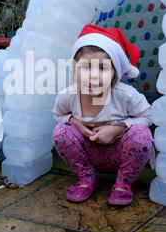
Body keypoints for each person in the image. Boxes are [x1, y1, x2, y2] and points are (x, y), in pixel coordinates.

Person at [52, 24, 155, 206]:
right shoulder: (68, 95)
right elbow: (58, 115)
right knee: (61, 131)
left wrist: (117, 128)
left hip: (121, 154)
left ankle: (123, 184)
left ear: (115, 73)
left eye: (102, 68)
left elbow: (148, 117)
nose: (93, 76)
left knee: (141, 134)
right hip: (87, 155)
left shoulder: (125, 95)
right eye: (85, 67)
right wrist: (75, 122)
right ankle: (87, 179)